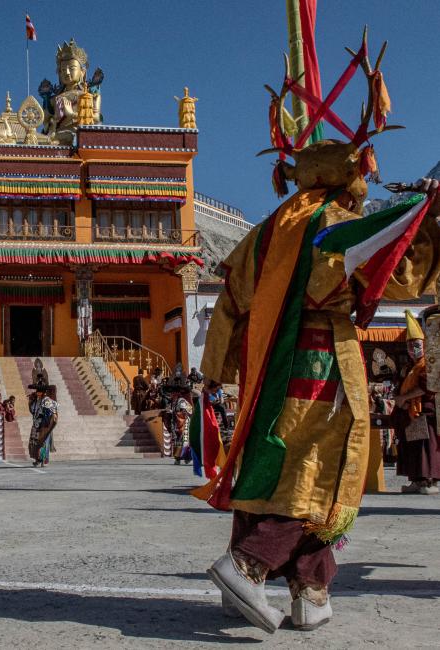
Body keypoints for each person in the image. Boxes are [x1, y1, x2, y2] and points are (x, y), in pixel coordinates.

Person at [195, 35, 440, 634]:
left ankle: (310, 588)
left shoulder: (270, 224)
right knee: (317, 469)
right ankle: (247, 567)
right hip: (322, 362)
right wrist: (428, 226)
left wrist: (221, 370)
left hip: (267, 363)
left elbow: (231, 296)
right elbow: (387, 277)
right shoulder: (337, 223)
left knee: (271, 467)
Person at [393, 311, 440, 494]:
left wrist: (404, 398)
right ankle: (416, 481)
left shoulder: (429, 363)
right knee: (412, 447)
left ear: (424, 345)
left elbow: (428, 386)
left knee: (426, 448)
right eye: (410, 346)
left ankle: (432, 482)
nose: (414, 350)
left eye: (417, 345)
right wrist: (400, 401)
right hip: (409, 411)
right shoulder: (408, 367)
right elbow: (399, 386)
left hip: (426, 411)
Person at [28, 375, 59, 468]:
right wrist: (30, 401)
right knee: (35, 442)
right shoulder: (37, 400)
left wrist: (51, 419)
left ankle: (42, 460)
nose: (37, 393)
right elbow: (32, 411)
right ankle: (37, 459)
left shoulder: (47, 400)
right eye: (37, 391)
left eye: (39, 391)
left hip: (43, 424)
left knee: (43, 443)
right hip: (36, 424)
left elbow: (52, 411)